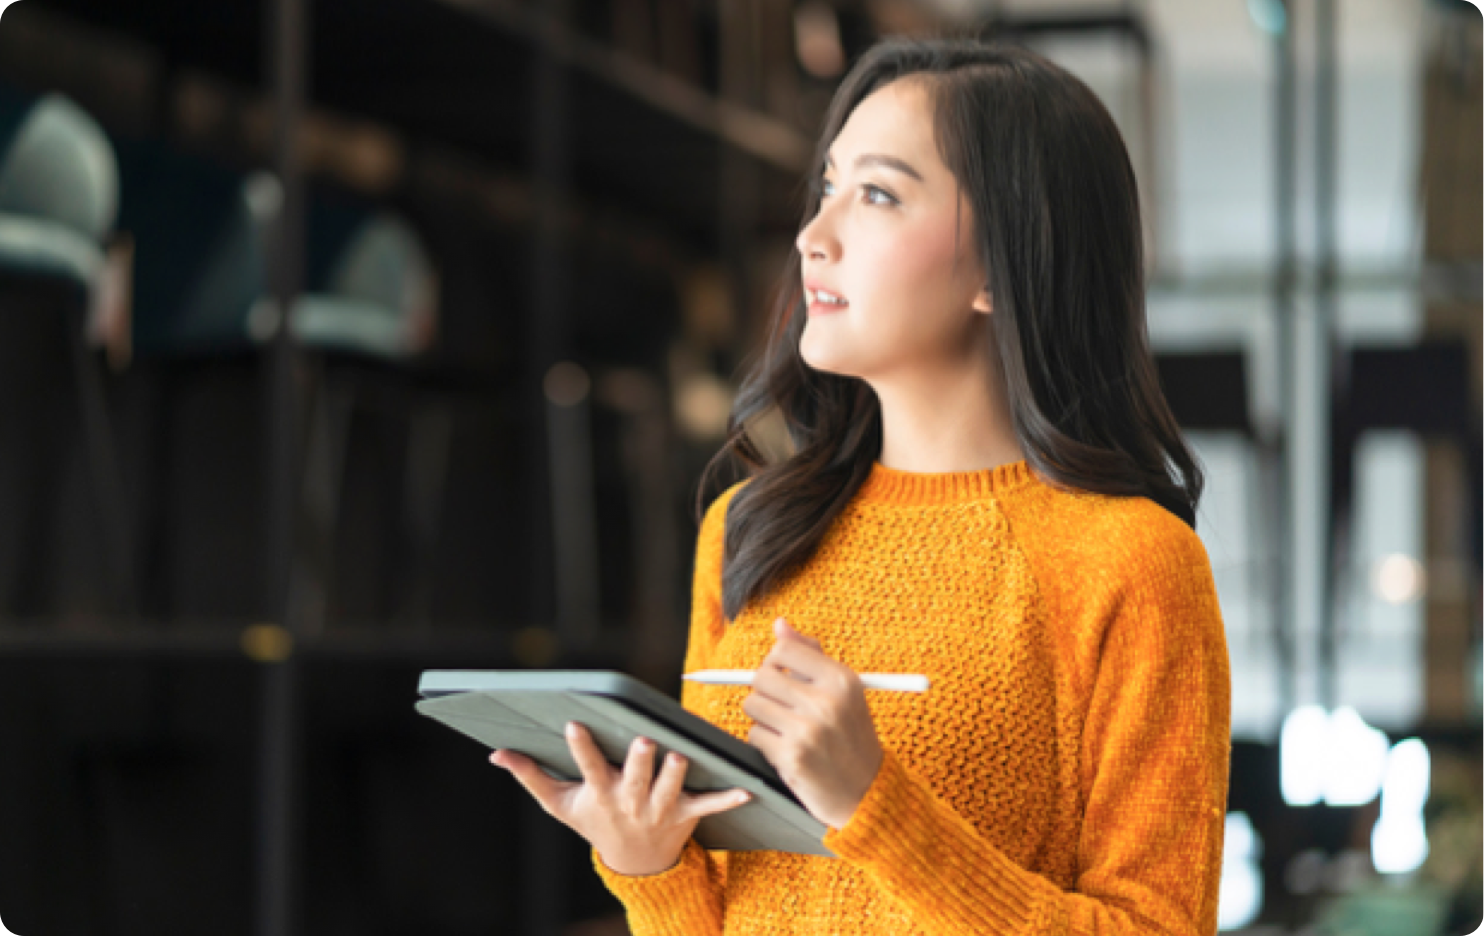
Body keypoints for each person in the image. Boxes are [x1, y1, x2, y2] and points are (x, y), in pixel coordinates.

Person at [491, 36, 1231, 935]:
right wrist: (647, 863)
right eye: (828, 186)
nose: (813, 237)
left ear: (1000, 264)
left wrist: (876, 806)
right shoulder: (748, 527)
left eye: (877, 194)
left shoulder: (1133, 564)